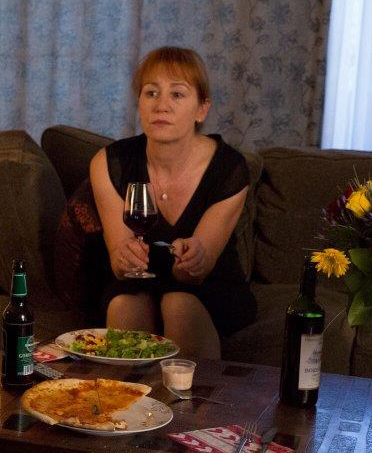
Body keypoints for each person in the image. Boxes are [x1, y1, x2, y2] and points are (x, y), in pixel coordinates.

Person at [88, 46, 256, 359]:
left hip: (207, 285)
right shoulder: (109, 163)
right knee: (125, 304)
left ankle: (196, 394)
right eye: (151, 93)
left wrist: (193, 259)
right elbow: (119, 264)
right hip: (137, 284)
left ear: (201, 109)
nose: (161, 105)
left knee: (179, 303)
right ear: (139, 103)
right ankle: (127, 391)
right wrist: (125, 259)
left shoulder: (230, 168)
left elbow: (196, 273)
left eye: (177, 94)